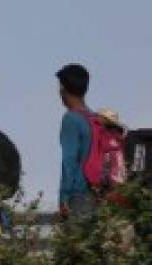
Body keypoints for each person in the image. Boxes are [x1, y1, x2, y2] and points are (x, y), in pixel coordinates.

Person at [56, 63, 94, 222]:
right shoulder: (95, 118)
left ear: (63, 90)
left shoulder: (71, 119)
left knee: (75, 245)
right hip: (100, 194)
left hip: (79, 196)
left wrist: (64, 197)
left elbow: (69, 160)